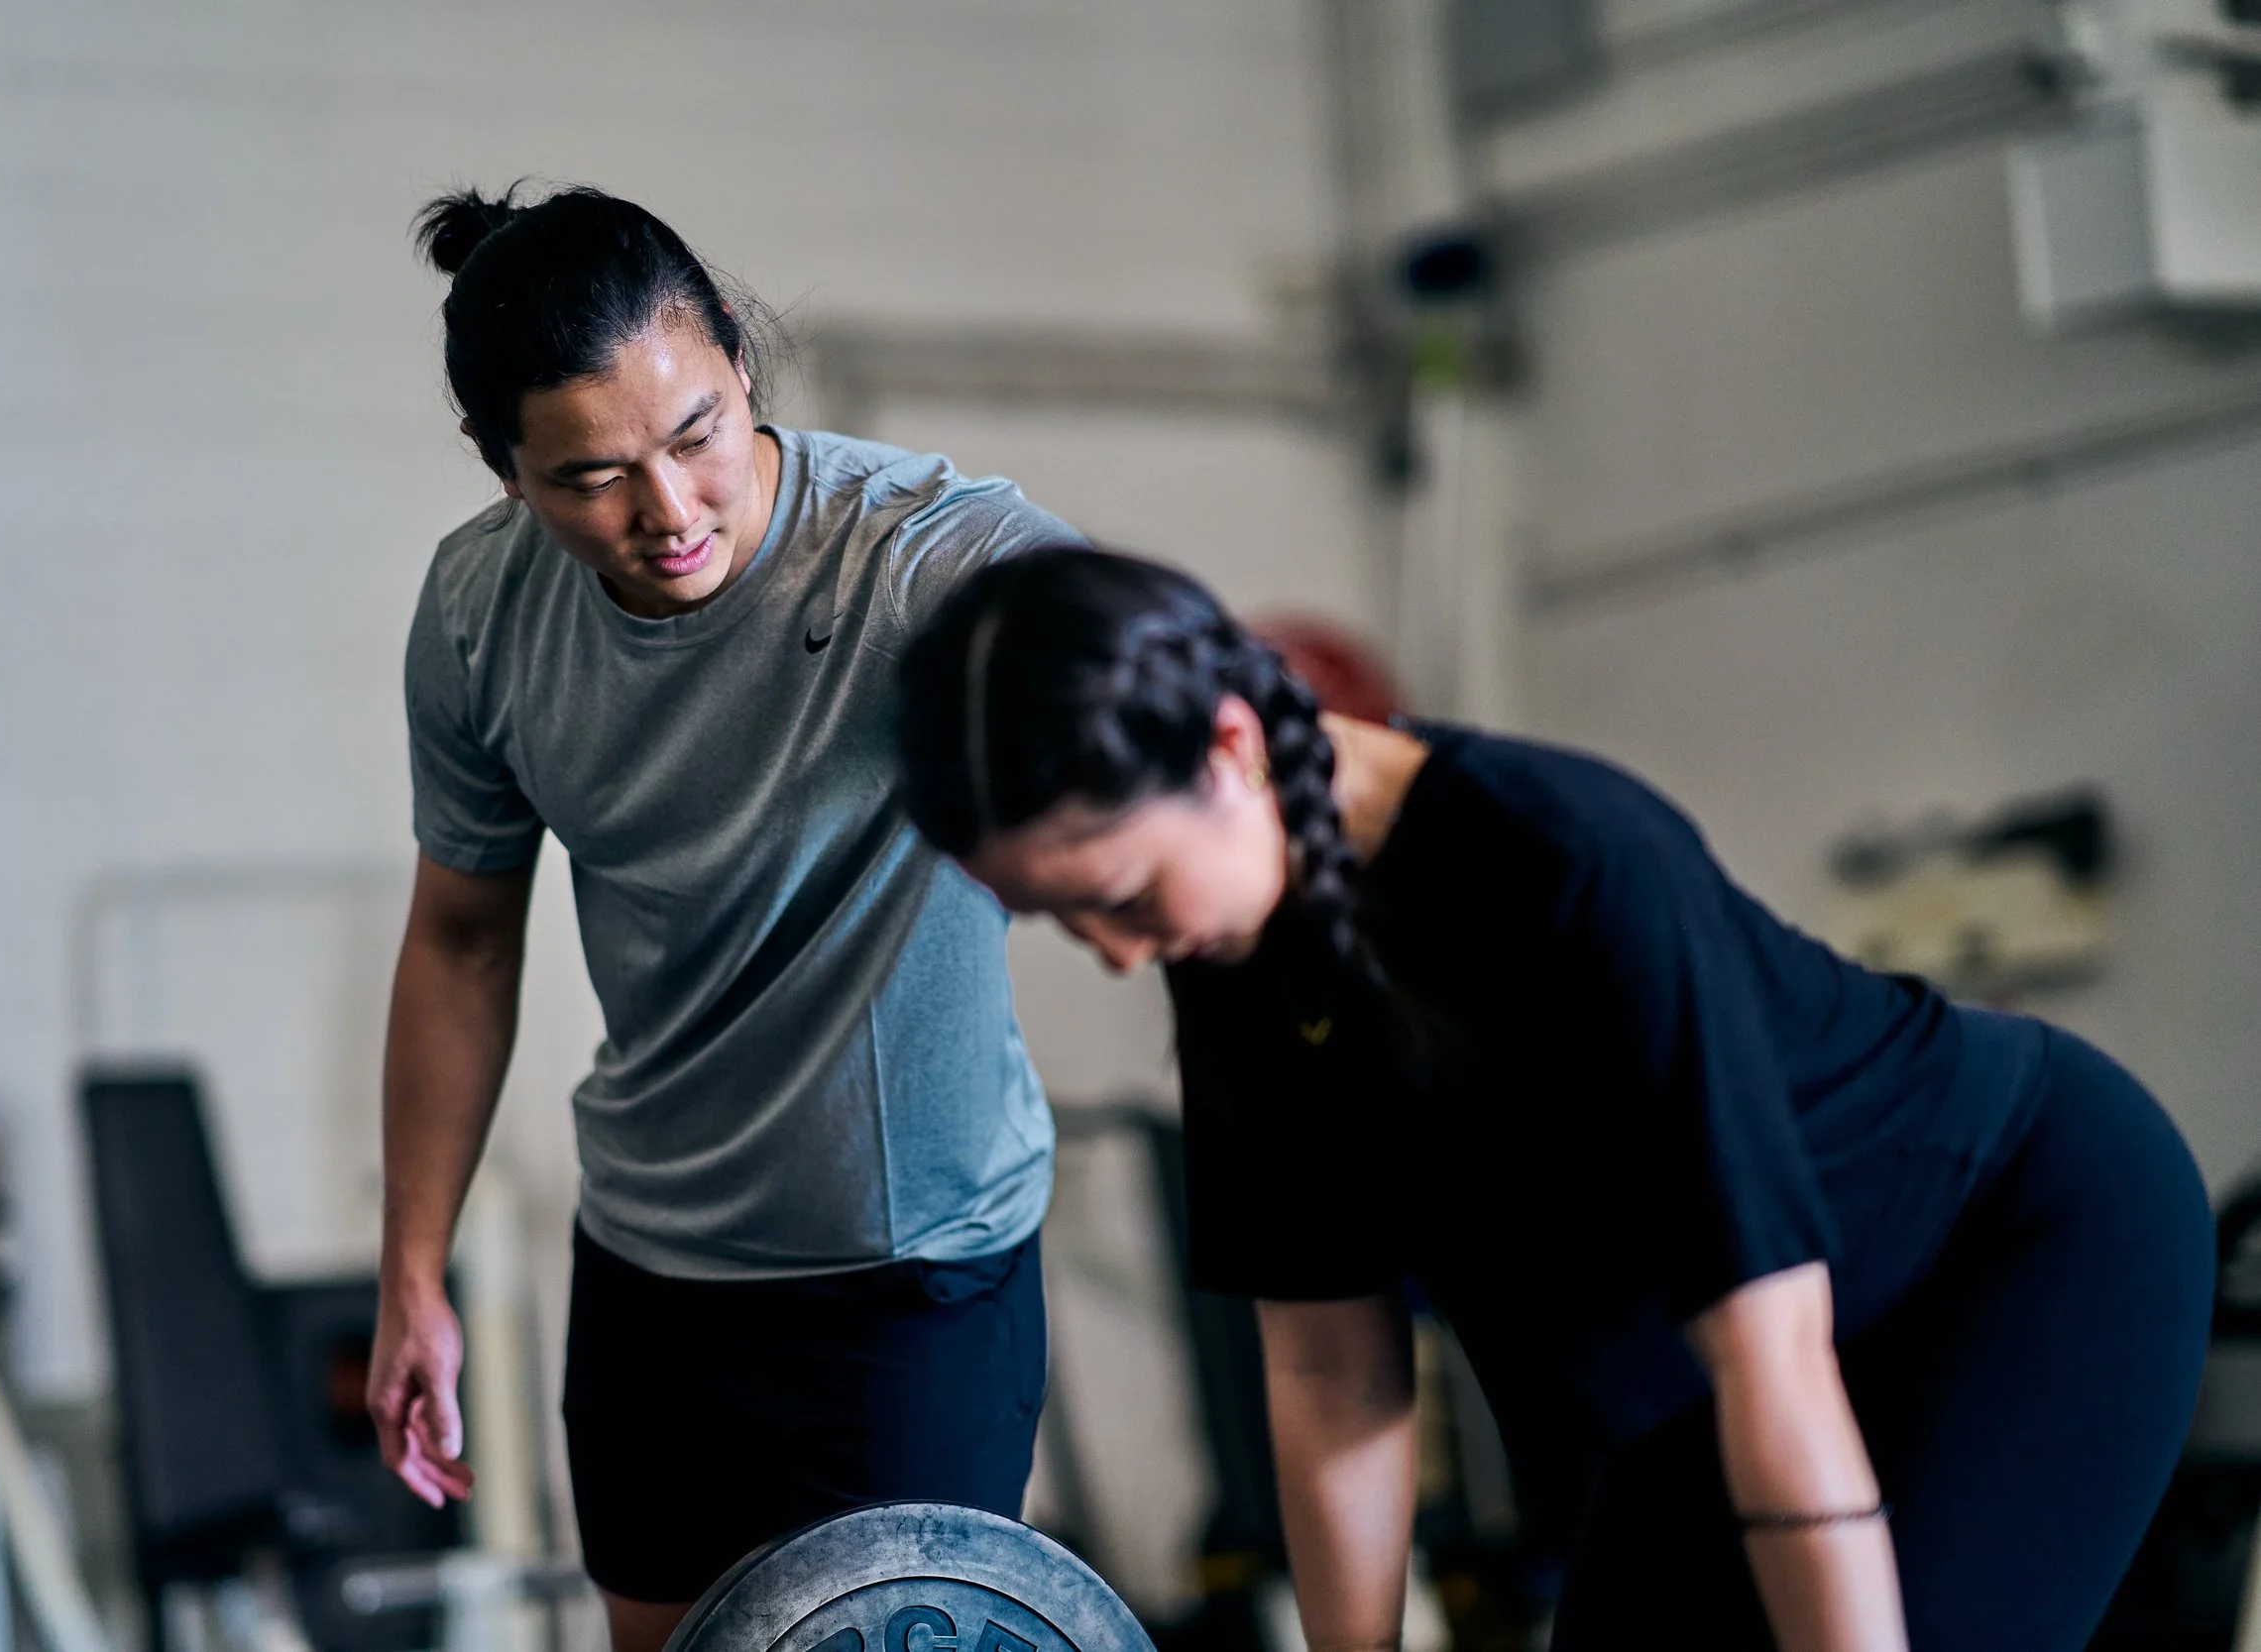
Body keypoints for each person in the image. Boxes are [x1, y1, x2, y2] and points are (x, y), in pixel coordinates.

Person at [894, 545, 2214, 1651]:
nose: (1120, 951)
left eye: (1122, 896)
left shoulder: (1570, 861)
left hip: (2006, 1246)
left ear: (1231, 745)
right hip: (1699, 1379)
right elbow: (1331, 1371)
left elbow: (1777, 1356)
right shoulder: (1237, 946)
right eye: (1066, 923)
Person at [367, 185, 1069, 1651]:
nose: (669, 512)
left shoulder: (917, 560)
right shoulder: (479, 616)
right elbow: (461, 939)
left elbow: (1152, 680)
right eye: (592, 478)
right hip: (654, 1269)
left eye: (695, 436)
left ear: (739, 359)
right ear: (502, 471)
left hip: (910, 1275)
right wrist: (412, 1265)